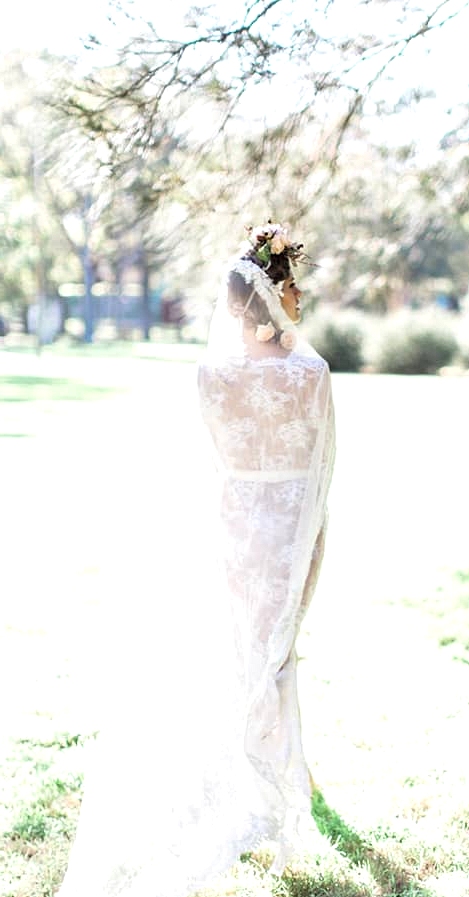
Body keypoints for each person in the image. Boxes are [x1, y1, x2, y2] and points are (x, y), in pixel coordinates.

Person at [56, 222, 336, 897]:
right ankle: (270, 796)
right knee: (275, 658)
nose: (297, 299)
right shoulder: (312, 371)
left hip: (231, 528)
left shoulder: (208, 375)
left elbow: (203, 463)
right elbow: (324, 467)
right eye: (290, 287)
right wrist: (310, 535)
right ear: (272, 297)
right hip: (291, 532)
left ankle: (256, 794)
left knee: (237, 657)